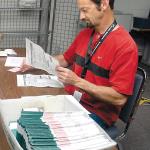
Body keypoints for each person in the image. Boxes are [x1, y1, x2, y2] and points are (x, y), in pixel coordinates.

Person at [20, 0, 138, 130]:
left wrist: (77, 81)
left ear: (104, 4)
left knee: (46, 129)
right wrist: (36, 62)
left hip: (96, 113)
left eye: (85, 10)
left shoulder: (125, 46)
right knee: (28, 112)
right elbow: (65, 59)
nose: (81, 17)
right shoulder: (85, 34)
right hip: (71, 100)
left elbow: (119, 98)